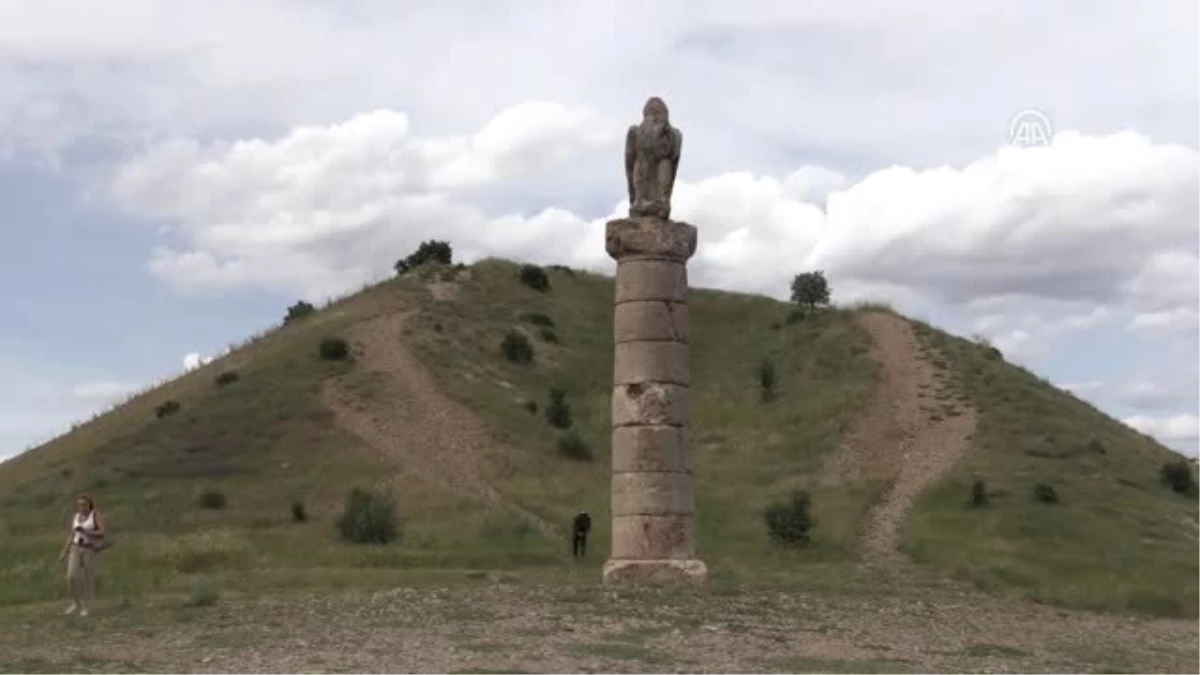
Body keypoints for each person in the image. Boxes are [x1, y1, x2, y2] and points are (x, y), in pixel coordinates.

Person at [59, 494, 106, 617]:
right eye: (79, 504)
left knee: (87, 577)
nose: (82, 506)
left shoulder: (95, 515)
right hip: (76, 547)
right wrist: (64, 551)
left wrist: (87, 531)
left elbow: (102, 532)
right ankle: (75, 602)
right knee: (71, 576)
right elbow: (72, 535)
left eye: (84, 504)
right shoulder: (76, 516)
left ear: (89, 504)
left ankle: (86, 607)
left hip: (89, 548)